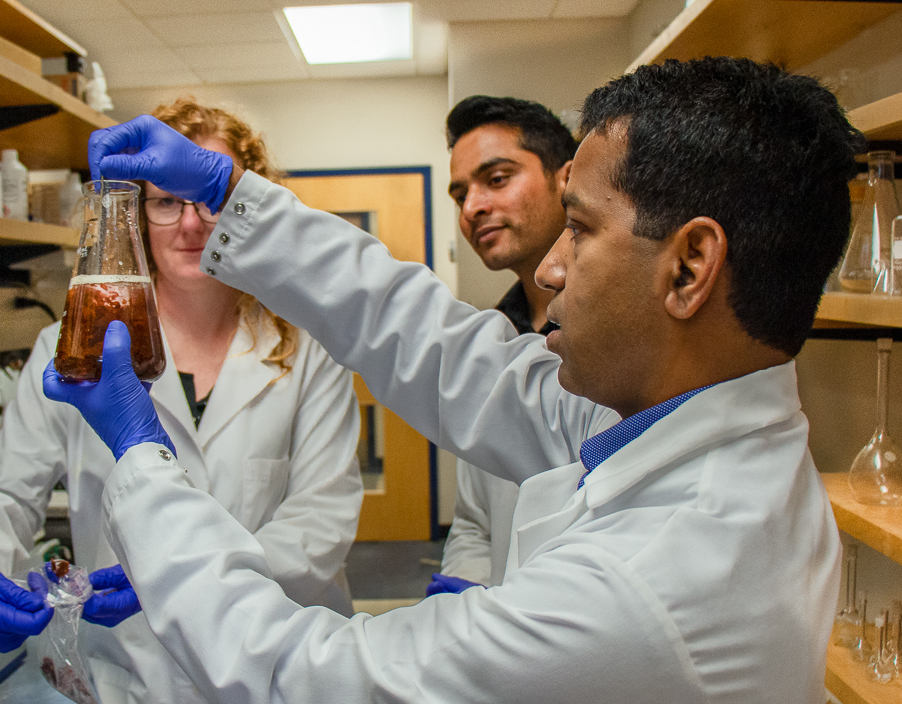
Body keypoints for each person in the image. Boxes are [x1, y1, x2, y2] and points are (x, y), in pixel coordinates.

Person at [47, 57, 862, 702]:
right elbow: (447, 355)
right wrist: (235, 199)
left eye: (577, 228)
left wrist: (141, 460)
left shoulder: (643, 590)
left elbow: (304, 675)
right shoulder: (702, 424)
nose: (550, 265)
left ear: (689, 267)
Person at [0, 98, 364, 704]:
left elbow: (321, 522)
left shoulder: (307, 348)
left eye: (209, 197)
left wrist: (181, 574)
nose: (190, 223)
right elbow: (1, 491)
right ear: (133, 212)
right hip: (127, 675)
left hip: (279, 669)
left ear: (244, 204)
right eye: (165, 201)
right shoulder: (69, 347)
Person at [431, 95, 617, 594]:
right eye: (460, 195)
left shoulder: (623, 336)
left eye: (496, 179)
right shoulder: (496, 332)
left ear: (567, 177)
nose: (473, 207)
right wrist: (460, 594)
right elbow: (474, 519)